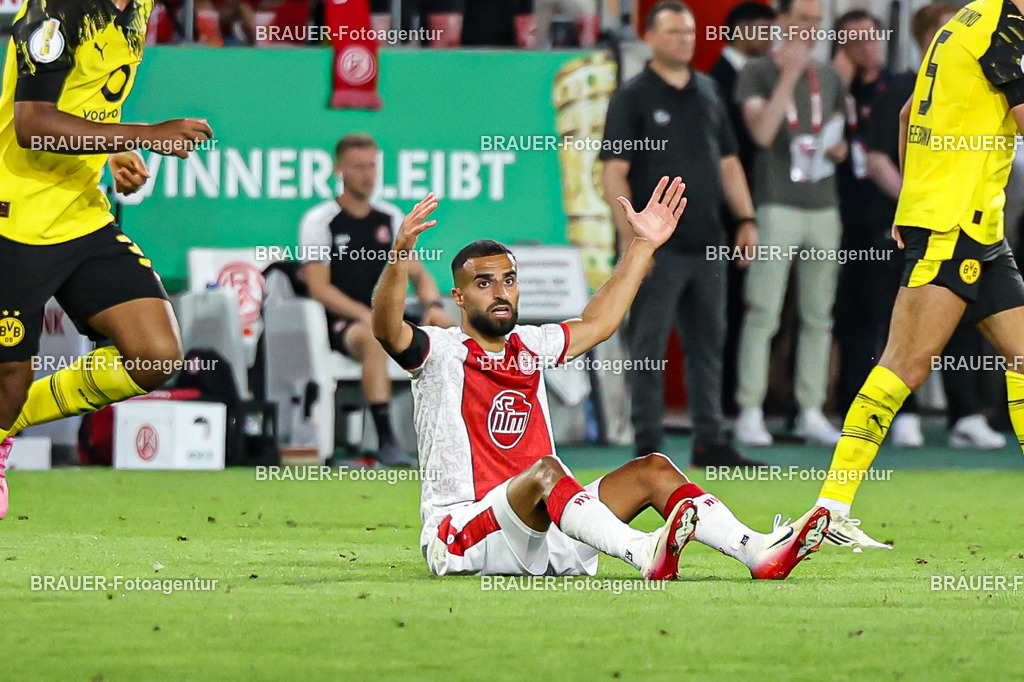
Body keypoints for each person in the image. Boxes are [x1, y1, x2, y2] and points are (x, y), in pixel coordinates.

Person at [370, 179, 830, 580]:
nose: (501, 292)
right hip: (462, 536)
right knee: (550, 472)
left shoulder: (530, 345)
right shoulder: (440, 351)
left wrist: (643, 246)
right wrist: (398, 259)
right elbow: (387, 330)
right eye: (484, 283)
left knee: (652, 470)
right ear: (459, 297)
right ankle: (640, 549)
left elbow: (599, 323)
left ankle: (757, 551)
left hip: (543, 532)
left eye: (509, 280)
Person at [812, 0, 1024, 549]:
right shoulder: (1008, 28)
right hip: (954, 225)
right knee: (903, 366)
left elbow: (909, 114)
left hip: (976, 227)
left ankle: (829, 509)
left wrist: (911, 200)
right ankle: (828, 510)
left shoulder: (966, 20)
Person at [0, 0, 215, 519]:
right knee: (9, 376)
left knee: (156, 354)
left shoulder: (139, 7)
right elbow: (32, 123)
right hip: (15, 218)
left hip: (83, 214)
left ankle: (5, 422)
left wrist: (109, 153)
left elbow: (91, 103)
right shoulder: (56, 9)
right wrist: (142, 135)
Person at [601, 1, 760, 467]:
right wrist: (632, 243)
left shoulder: (709, 91)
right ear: (649, 37)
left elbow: (728, 162)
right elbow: (615, 173)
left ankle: (710, 440)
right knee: (648, 347)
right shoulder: (632, 97)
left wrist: (746, 219)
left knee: (710, 344)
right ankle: (647, 446)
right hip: (657, 246)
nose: (683, 41)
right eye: (673, 33)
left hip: (708, 240)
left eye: (689, 33)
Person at [855, 2, 1006, 451]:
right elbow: (882, 146)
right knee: (906, 350)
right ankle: (899, 422)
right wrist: (911, 201)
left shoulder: (955, 77)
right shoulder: (932, 74)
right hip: (942, 220)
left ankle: (966, 413)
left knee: (972, 331)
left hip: (970, 222)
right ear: (929, 38)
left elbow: (907, 120)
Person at [299, 134, 453, 468]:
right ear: (339, 169)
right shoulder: (320, 221)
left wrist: (434, 306)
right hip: (345, 325)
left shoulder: (390, 217)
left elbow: (420, 275)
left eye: (371, 166)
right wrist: (370, 316)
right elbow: (319, 288)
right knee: (373, 336)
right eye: (358, 167)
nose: (368, 175)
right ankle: (386, 441)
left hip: (389, 319)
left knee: (450, 330)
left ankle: (457, 436)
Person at [733, 0, 848, 447]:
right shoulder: (757, 71)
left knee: (819, 314)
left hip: (823, 203)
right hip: (776, 203)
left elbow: (836, 129)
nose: (810, 29)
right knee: (764, 310)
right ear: (781, 23)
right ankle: (749, 409)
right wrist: (790, 73)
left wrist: (836, 147)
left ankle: (812, 408)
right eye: (802, 20)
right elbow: (761, 133)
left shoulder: (831, 76)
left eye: (817, 22)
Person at [709, 1, 777, 417]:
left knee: (746, 304)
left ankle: (736, 398)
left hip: (753, 208)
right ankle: (723, 401)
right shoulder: (715, 81)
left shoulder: (763, 77)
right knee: (727, 307)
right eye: (764, 30)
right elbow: (726, 154)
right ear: (740, 30)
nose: (771, 40)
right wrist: (739, 214)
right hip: (724, 214)